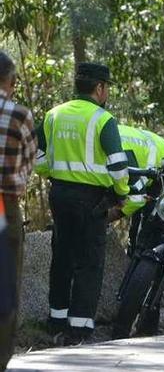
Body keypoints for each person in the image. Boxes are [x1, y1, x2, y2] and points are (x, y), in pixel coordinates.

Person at [34, 62, 130, 344]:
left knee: (62, 256)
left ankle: (56, 321)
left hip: (60, 195)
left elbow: (36, 155)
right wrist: (122, 192)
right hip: (91, 200)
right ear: (99, 88)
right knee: (89, 262)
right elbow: (118, 165)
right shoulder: (103, 119)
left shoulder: (53, 115)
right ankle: (79, 328)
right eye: (106, 87)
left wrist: (52, 173)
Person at [0, 51, 37, 372]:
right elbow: (29, 162)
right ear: (10, 82)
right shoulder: (20, 115)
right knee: (6, 289)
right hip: (5, 205)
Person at [113, 124, 164, 253]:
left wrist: (109, 217)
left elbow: (137, 197)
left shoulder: (118, 154)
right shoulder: (105, 136)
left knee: (150, 219)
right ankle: (136, 252)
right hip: (151, 156)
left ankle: (143, 258)